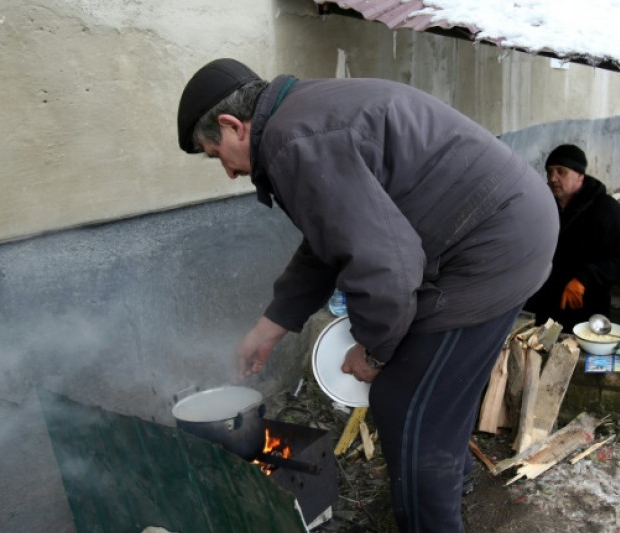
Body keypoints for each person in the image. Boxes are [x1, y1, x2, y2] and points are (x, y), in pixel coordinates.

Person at [176, 58, 558, 533]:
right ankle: (450, 479)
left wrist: (374, 351)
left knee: (405, 401)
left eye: (217, 156)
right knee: (436, 392)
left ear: (233, 126)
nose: (229, 173)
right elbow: (330, 242)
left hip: (488, 250)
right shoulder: (301, 117)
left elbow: (386, 269)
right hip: (508, 227)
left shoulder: (295, 141)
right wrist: (269, 327)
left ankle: (432, 517)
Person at [523, 144, 620, 333]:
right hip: (543, 308)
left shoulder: (606, 209)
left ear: (580, 176)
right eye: (549, 172)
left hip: (584, 312)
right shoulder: (545, 207)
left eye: (561, 172)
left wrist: (584, 278)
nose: (553, 178)